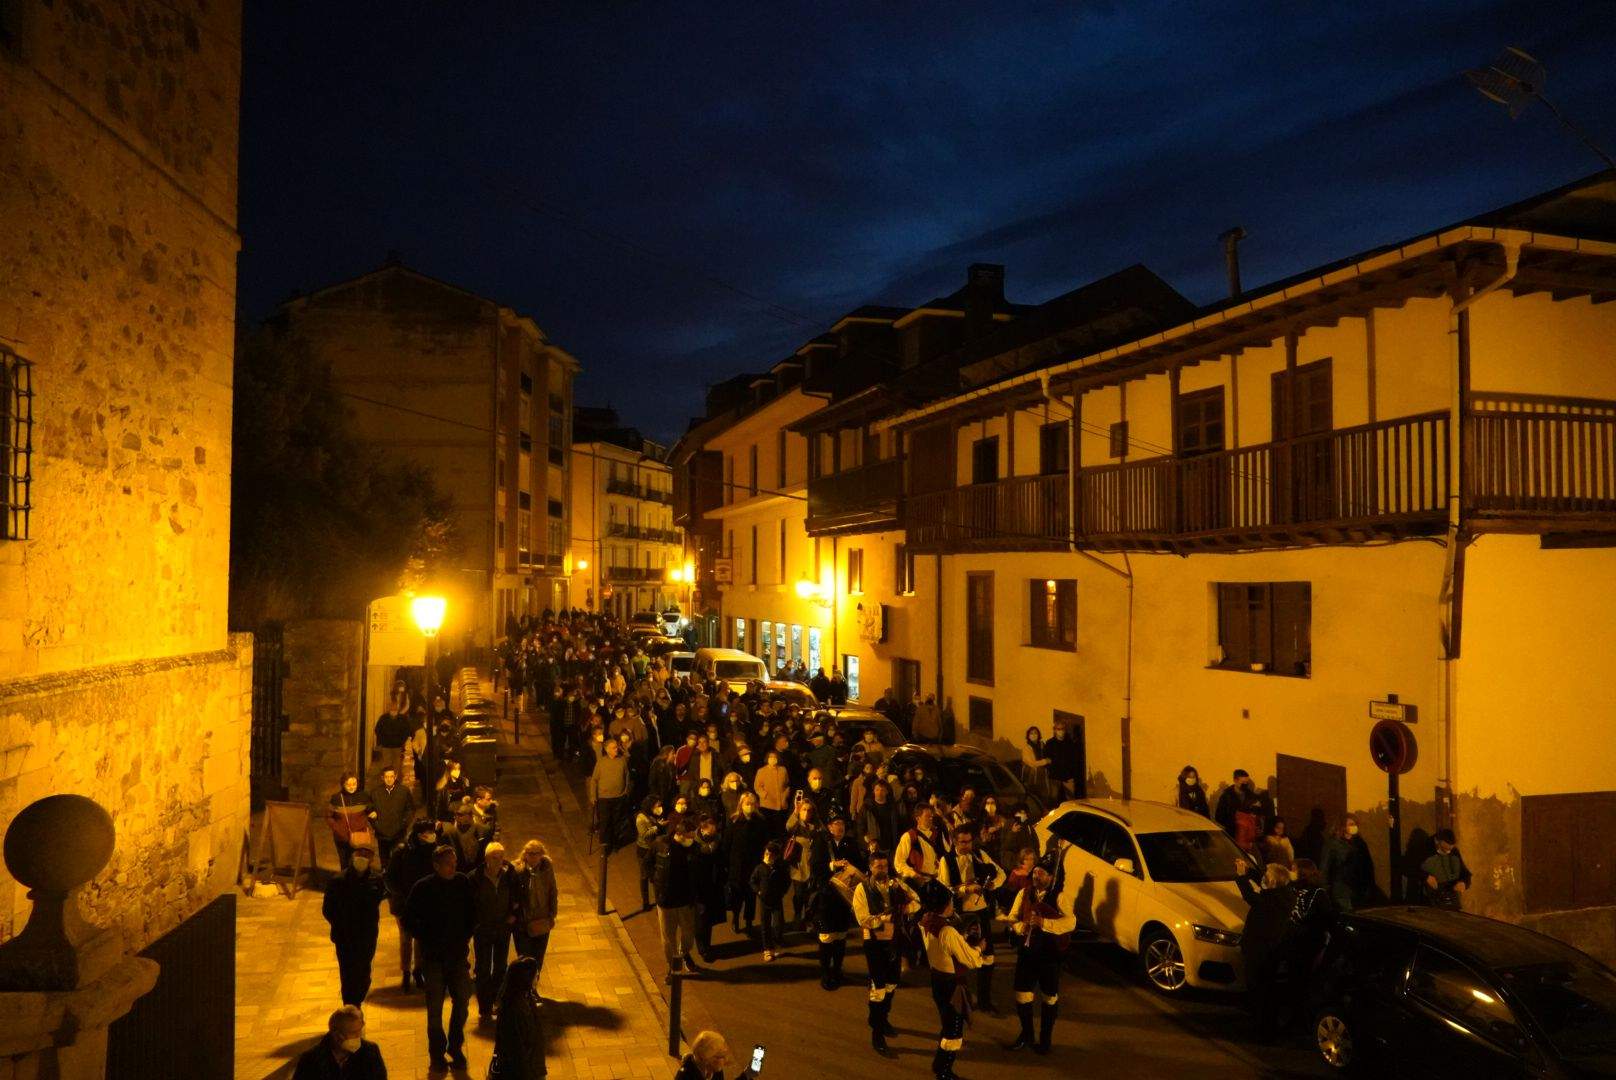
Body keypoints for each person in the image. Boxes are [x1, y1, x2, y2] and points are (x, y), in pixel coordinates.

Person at [405, 846, 476, 1072]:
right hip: (434, 960)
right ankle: (436, 1053)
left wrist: (465, 934)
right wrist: (426, 936)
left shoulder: (462, 882)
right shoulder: (423, 888)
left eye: (454, 863)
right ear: (436, 866)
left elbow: (473, 912)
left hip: (457, 957)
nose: (453, 867)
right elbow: (408, 919)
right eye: (448, 864)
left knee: (462, 1001)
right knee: (434, 1009)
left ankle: (455, 1046)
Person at [1004, 845, 1079, 1055]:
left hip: (1049, 955)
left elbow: (1071, 922)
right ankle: (1027, 1034)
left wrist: (1044, 923)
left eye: (1042, 873)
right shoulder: (1024, 892)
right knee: (1022, 994)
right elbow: (1012, 917)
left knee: (1049, 997)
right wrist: (1019, 927)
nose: (1036, 876)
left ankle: (1045, 1040)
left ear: (1051, 877)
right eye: (1035, 872)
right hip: (1027, 952)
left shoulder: (1060, 897)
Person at [853, 850, 919, 1057]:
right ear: (870, 867)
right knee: (878, 987)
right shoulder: (862, 889)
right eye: (878, 866)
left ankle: (881, 1018)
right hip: (874, 942)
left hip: (894, 941)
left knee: (892, 983)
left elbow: (917, 901)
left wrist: (905, 910)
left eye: (885, 866)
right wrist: (885, 919)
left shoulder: (896, 884)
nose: (883, 870)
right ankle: (877, 1033)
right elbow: (863, 919)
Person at [918, 880, 985, 1080]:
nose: (952, 904)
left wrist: (959, 938)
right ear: (944, 904)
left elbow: (945, 948)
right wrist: (979, 947)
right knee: (954, 1031)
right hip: (951, 984)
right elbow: (971, 960)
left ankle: (939, 1065)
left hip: (937, 979)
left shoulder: (925, 920)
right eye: (950, 901)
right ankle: (943, 1072)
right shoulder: (947, 931)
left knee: (947, 1023)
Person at [938, 823, 1005, 1014]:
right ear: (954, 841)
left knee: (988, 955)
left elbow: (1001, 874)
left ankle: (984, 1000)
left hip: (981, 911)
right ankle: (960, 1000)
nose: (967, 845)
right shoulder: (946, 860)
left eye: (969, 841)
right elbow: (944, 888)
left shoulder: (980, 854)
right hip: (960, 914)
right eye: (963, 842)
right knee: (960, 957)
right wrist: (966, 889)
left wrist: (993, 884)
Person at [322, 844, 385, 1007]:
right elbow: (328, 909)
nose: (362, 858)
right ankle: (350, 1006)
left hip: (367, 935)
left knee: (364, 971)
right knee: (348, 972)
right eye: (359, 853)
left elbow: (378, 900)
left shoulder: (376, 880)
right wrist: (342, 924)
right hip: (345, 936)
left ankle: (357, 999)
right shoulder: (338, 881)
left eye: (366, 855)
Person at [808, 811, 864, 990]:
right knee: (826, 936)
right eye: (836, 823)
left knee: (840, 935)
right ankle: (825, 972)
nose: (840, 827)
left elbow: (860, 865)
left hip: (844, 898)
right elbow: (815, 867)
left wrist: (852, 867)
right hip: (826, 895)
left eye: (842, 823)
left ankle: (838, 969)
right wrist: (832, 865)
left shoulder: (851, 843)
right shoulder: (822, 842)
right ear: (830, 826)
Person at [384, 819, 440, 991]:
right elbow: (390, 878)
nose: (432, 835)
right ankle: (406, 972)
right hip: (404, 903)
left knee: (421, 939)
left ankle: (418, 970)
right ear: (419, 834)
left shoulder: (434, 850)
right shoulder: (402, 851)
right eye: (428, 832)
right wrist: (404, 895)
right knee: (406, 938)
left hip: (424, 903)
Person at [472, 841, 519, 1023]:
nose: (498, 861)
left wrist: (513, 915)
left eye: (501, 857)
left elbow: (517, 897)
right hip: (483, 930)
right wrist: (476, 923)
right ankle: (484, 1006)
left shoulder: (509, 876)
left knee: (500, 967)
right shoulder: (475, 878)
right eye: (494, 857)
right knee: (483, 968)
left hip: (502, 929)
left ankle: (495, 1000)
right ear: (486, 859)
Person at [654, 816, 702, 979]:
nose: (692, 839)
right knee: (668, 938)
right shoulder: (662, 845)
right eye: (689, 836)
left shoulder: (693, 849)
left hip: (685, 901)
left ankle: (683, 954)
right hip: (666, 902)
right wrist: (657, 886)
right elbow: (647, 863)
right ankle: (673, 967)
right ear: (680, 834)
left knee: (688, 935)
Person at [489, 955, 547, 1079]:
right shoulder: (513, 1010)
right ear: (526, 979)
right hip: (522, 1072)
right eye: (535, 976)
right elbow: (516, 1050)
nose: (537, 979)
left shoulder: (525, 996)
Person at [292, 1005, 386, 1080]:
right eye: (353, 1033)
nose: (359, 1036)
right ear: (337, 1035)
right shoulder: (310, 1060)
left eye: (359, 1030)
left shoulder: (370, 1052)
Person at [513, 839, 559, 985]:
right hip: (523, 923)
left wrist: (552, 914)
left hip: (541, 921)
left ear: (541, 854)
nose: (533, 857)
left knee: (538, 958)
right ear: (525, 854)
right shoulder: (518, 870)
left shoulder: (547, 869)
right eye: (530, 853)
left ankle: (533, 986)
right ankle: (524, 987)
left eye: (536, 853)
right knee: (524, 958)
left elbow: (552, 891)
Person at [724, 792, 768, 935]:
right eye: (747, 804)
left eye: (752, 804)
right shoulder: (734, 821)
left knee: (751, 895)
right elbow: (727, 844)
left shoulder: (760, 822)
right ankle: (735, 918)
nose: (749, 806)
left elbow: (764, 843)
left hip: (753, 864)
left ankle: (749, 921)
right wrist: (727, 864)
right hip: (737, 865)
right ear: (741, 805)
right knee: (737, 895)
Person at [588, 737, 633, 854]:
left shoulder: (622, 760)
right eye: (613, 748)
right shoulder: (601, 762)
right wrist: (593, 796)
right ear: (607, 749)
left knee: (616, 822)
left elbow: (627, 776)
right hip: (604, 798)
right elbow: (594, 780)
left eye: (616, 747)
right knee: (605, 822)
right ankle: (605, 846)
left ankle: (615, 843)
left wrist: (625, 791)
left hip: (618, 797)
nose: (616, 749)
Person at [750, 839, 792, 962]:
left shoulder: (780, 868)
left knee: (778, 923)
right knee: (765, 925)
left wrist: (782, 892)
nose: (768, 856)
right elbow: (752, 881)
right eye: (766, 853)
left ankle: (777, 943)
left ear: (776, 856)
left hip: (776, 899)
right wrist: (758, 891)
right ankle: (767, 949)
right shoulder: (760, 868)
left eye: (770, 854)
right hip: (764, 901)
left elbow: (787, 881)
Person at [328, 772, 378, 871]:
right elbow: (329, 816)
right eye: (348, 784)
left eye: (354, 784)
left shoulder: (364, 796)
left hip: (359, 838)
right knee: (344, 864)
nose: (352, 787)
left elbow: (370, 810)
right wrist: (337, 829)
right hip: (342, 838)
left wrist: (373, 813)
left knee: (359, 865)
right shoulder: (336, 798)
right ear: (343, 784)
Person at [371, 766, 414, 865]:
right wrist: (376, 825)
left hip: (398, 833)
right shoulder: (375, 792)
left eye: (391, 776)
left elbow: (410, 809)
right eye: (387, 777)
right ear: (382, 778)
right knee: (384, 861)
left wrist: (404, 823)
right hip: (382, 834)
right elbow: (370, 810)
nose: (389, 779)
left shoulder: (404, 791)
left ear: (395, 777)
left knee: (398, 859)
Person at [673, 1030, 758, 1080]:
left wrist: (746, 1075)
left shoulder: (714, 1071)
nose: (725, 1060)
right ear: (706, 1058)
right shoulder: (685, 1077)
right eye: (720, 1056)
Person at [1422, 828, 1472, 910]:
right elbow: (1410, 868)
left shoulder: (1454, 852)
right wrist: (1426, 877)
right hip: (1430, 899)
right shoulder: (1425, 851)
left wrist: (1464, 883)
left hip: (1450, 897)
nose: (1447, 852)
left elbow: (1465, 874)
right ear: (1436, 841)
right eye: (1444, 849)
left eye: (1449, 849)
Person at [1214, 769, 1264, 852]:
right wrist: (1234, 823)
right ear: (1235, 780)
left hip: (1248, 836)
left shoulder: (1252, 796)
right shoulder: (1226, 796)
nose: (1245, 785)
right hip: (1232, 834)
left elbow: (1258, 815)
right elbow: (1218, 816)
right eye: (1243, 782)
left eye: (1246, 783)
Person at [636, 796, 666, 911]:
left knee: (656, 877)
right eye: (657, 806)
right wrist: (658, 826)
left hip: (654, 849)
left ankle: (659, 902)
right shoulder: (641, 818)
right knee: (644, 876)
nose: (659, 808)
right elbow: (644, 834)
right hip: (644, 850)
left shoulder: (652, 816)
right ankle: (645, 902)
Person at [1043, 717, 1082, 799]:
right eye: (1058, 729)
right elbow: (1047, 760)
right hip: (1054, 777)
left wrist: (1072, 775)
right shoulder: (1050, 743)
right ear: (1054, 730)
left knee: (1070, 800)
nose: (1060, 731)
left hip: (1068, 777)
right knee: (1053, 799)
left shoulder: (1070, 743)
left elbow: (1074, 760)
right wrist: (1051, 769)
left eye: (1062, 729)